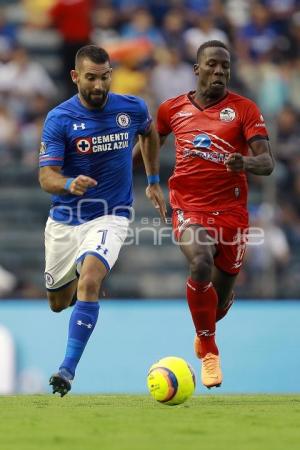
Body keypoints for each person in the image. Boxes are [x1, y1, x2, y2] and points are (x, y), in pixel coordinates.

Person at [39, 45, 166, 397]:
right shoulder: (59, 118)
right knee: (57, 303)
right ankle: (83, 273)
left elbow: (150, 133)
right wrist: (67, 183)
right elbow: (45, 176)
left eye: (105, 76)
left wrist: (153, 180)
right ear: (75, 77)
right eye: (91, 77)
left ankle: (67, 370)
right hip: (66, 219)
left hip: (112, 214)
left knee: (91, 279)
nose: (99, 85)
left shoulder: (132, 107)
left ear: (112, 74)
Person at [155, 40, 274, 389]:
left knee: (217, 307)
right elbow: (150, 142)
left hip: (232, 214)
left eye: (225, 66)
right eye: (212, 65)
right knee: (200, 262)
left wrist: (246, 162)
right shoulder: (171, 109)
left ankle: (209, 322)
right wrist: (142, 178)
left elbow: (266, 162)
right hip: (189, 205)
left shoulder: (244, 110)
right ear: (197, 69)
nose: (219, 71)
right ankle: (209, 351)